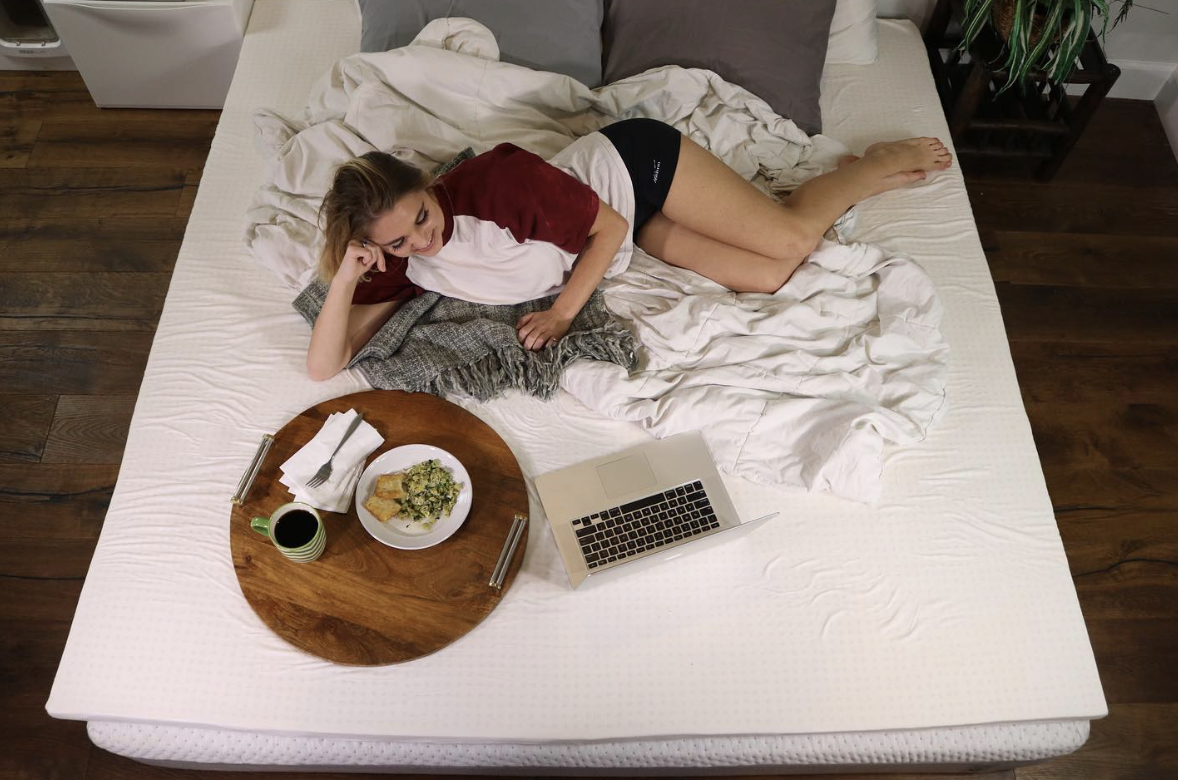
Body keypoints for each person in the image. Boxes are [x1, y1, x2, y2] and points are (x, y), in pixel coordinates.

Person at [306, 118, 952, 381]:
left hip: (638, 171)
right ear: (375, 245)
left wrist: (562, 314)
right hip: (630, 227)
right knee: (770, 275)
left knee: (792, 237)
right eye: (400, 240)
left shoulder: (498, 185)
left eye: (423, 213)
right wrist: (345, 280)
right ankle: (833, 184)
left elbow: (607, 228)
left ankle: (866, 169)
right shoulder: (400, 260)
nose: (425, 238)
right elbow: (323, 367)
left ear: (427, 183)